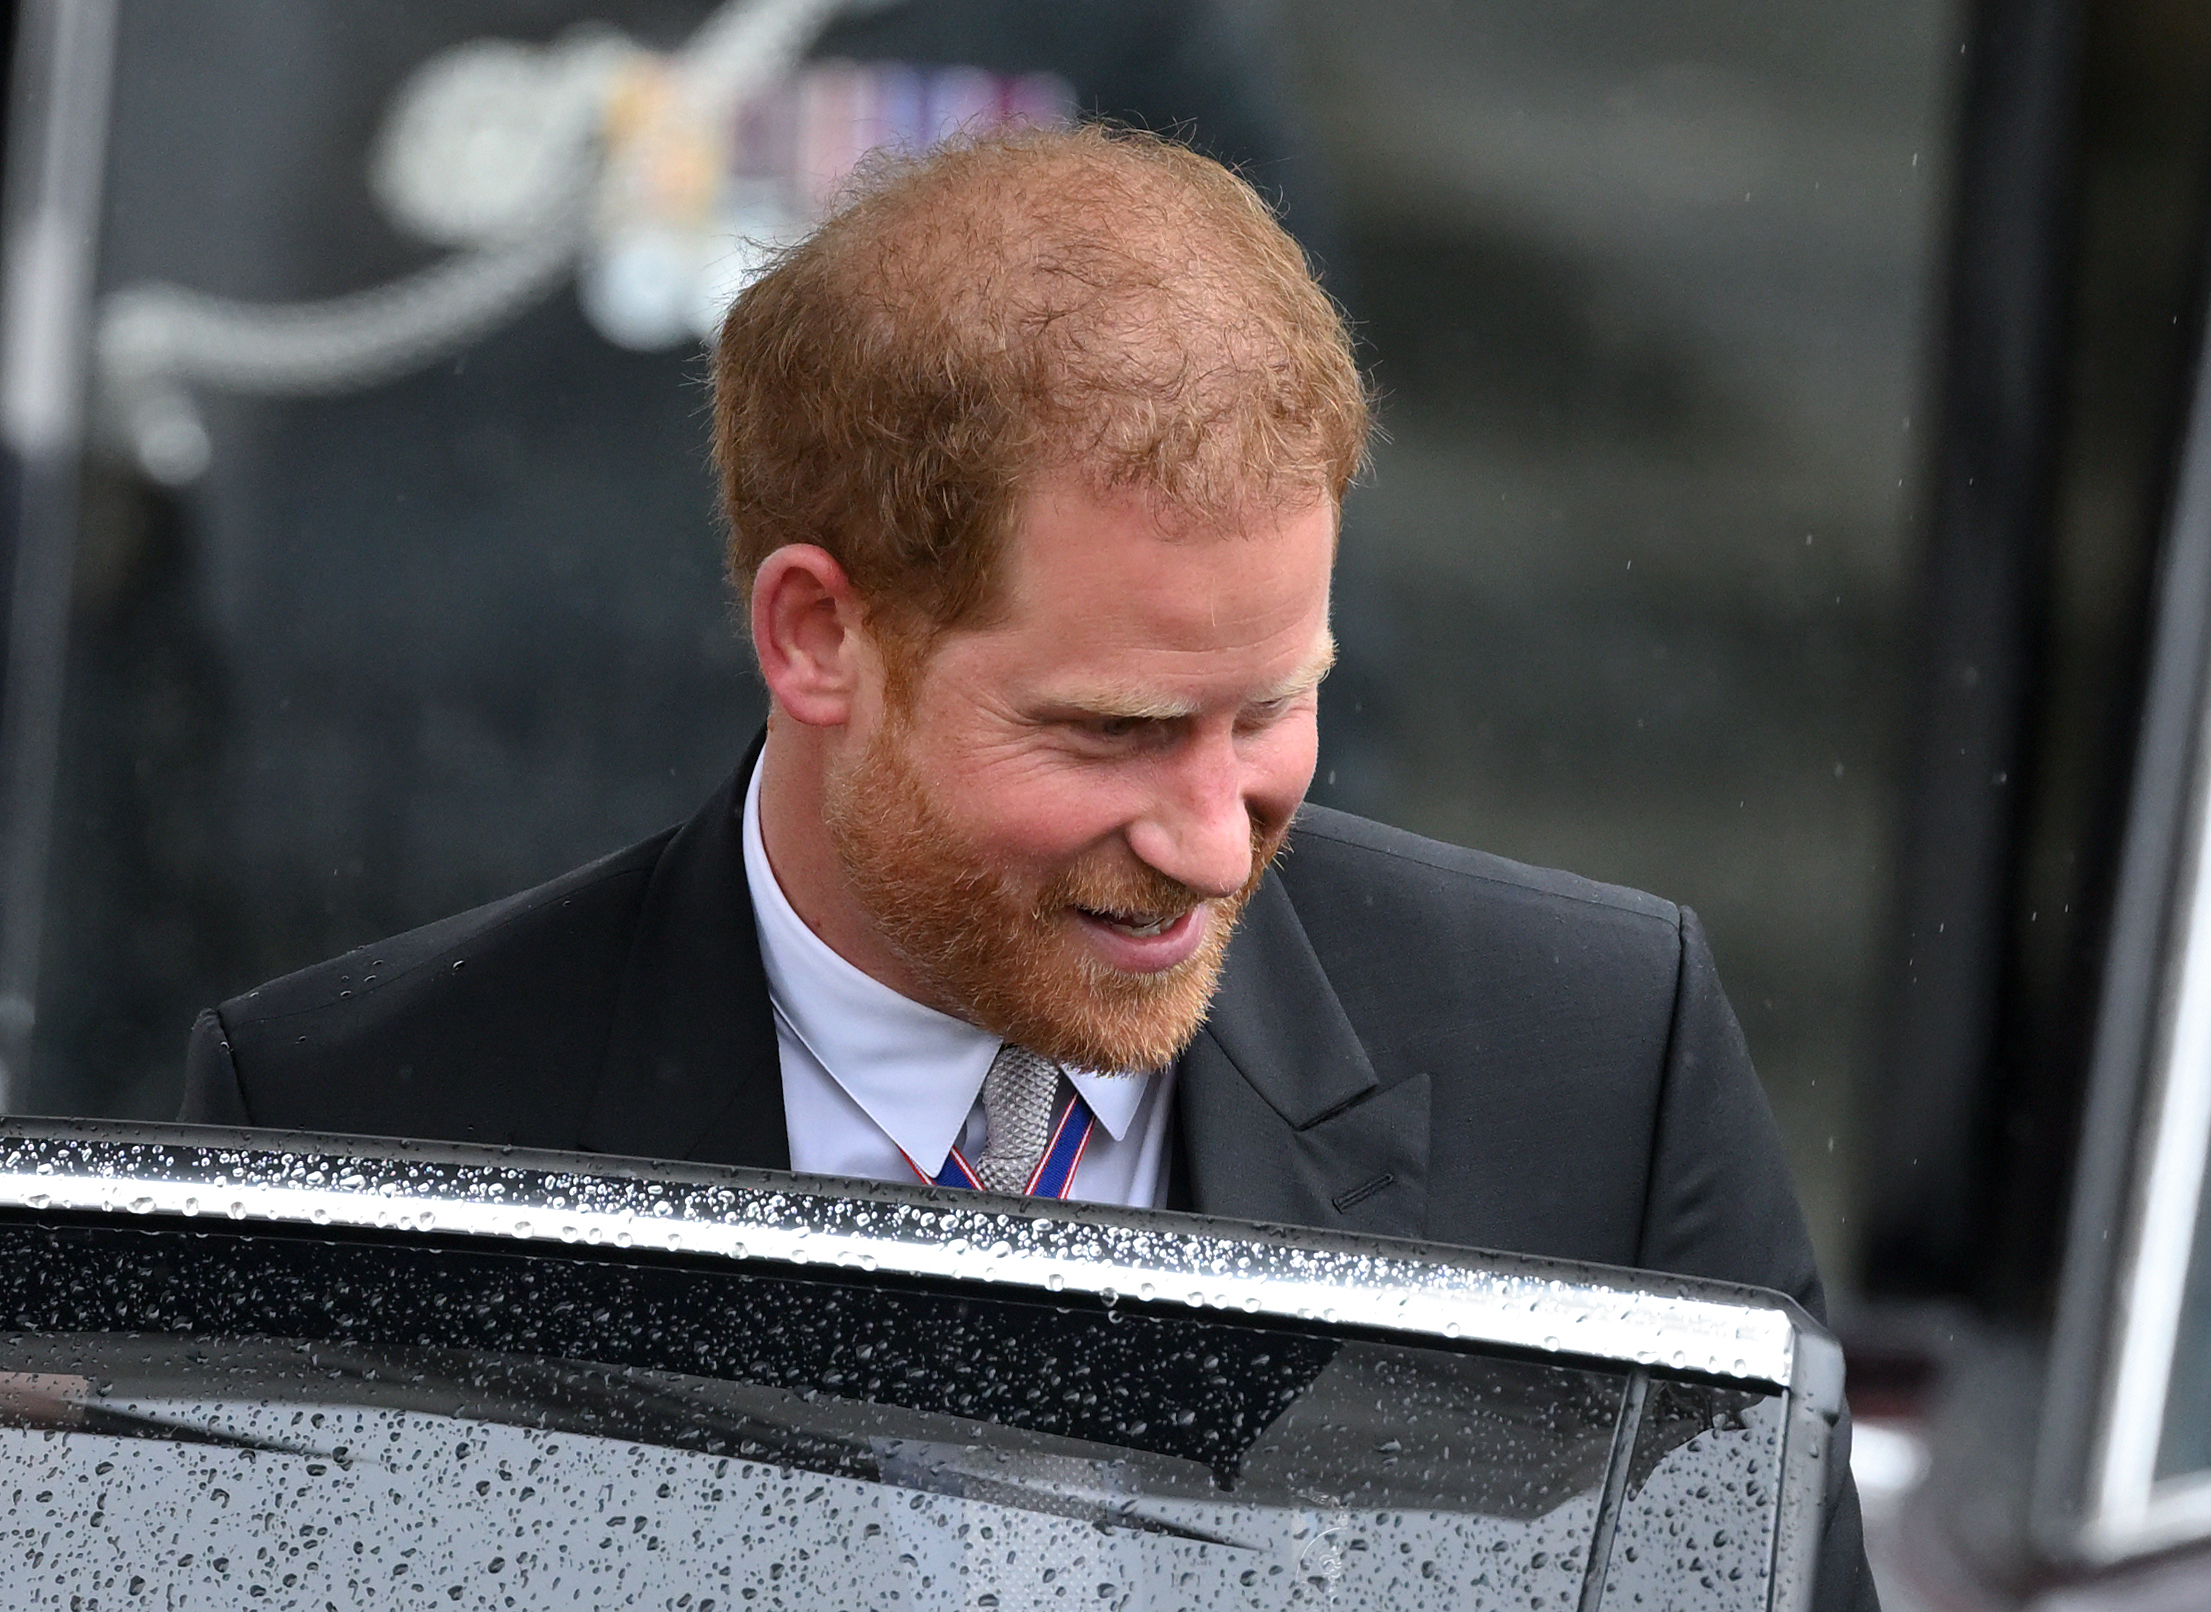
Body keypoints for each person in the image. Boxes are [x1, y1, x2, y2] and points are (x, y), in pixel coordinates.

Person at [180, 125, 1877, 1609]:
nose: (1216, 842)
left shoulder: (1597, 1065)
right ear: (820, 635)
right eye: (1118, 731)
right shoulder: (354, 1132)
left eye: (1276, 708)